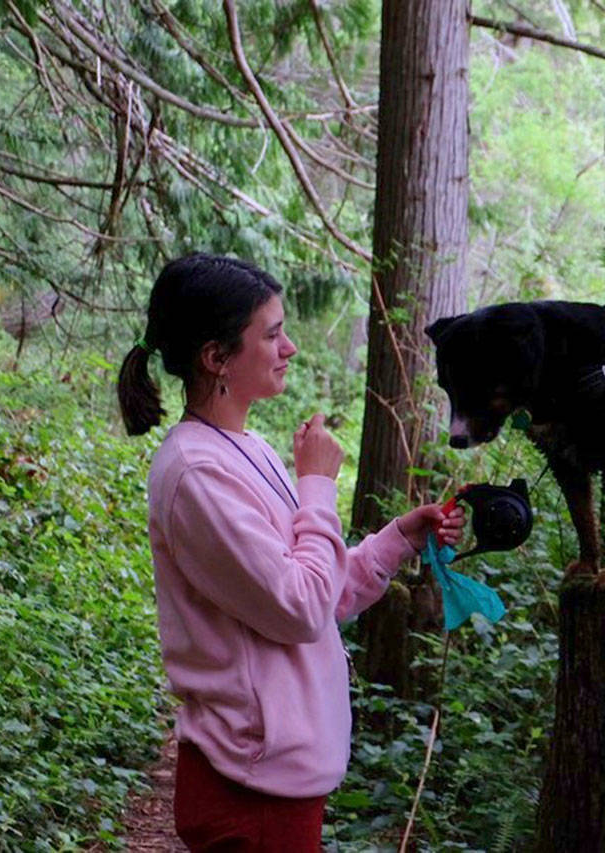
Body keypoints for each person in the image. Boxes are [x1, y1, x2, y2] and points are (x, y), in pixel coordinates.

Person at [116, 253, 464, 851]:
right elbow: (301, 608)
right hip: (250, 787)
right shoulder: (197, 473)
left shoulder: (245, 448)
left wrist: (400, 538)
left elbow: (319, 593)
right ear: (216, 357)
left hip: (277, 776)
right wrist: (317, 485)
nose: (290, 348)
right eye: (272, 335)